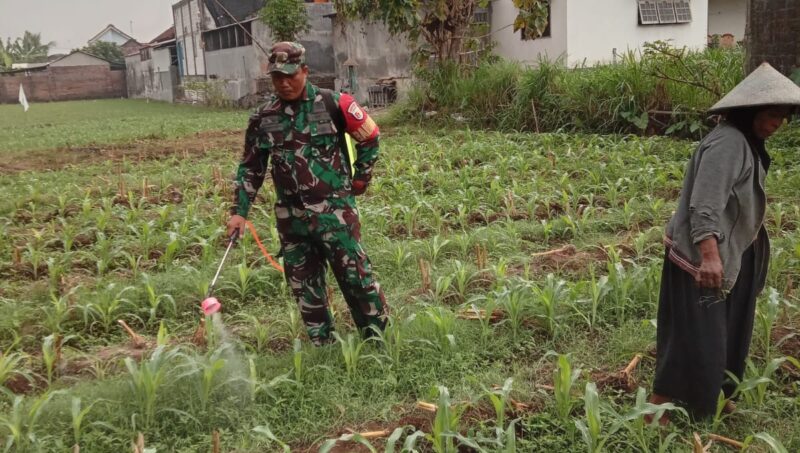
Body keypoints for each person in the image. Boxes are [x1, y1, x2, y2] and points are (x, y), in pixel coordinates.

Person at [648, 63, 800, 422]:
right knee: (696, 333)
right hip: (703, 255)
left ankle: (715, 395)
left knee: (730, 329)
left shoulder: (746, 141)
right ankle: (658, 408)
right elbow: (704, 203)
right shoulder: (728, 142)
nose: (777, 124)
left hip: (733, 252)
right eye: (772, 115)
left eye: (783, 117)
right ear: (751, 111)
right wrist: (709, 256)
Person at [227, 42, 387, 346]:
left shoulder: (334, 103)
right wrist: (239, 212)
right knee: (305, 285)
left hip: (335, 214)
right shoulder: (263, 117)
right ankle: (322, 345)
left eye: (290, 75)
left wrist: (361, 179)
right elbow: (251, 168)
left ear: (305, 71)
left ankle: (377, 339)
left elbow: (370, 137)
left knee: (355, 277)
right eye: (277, 77)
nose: (284, 83)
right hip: (293, 219)